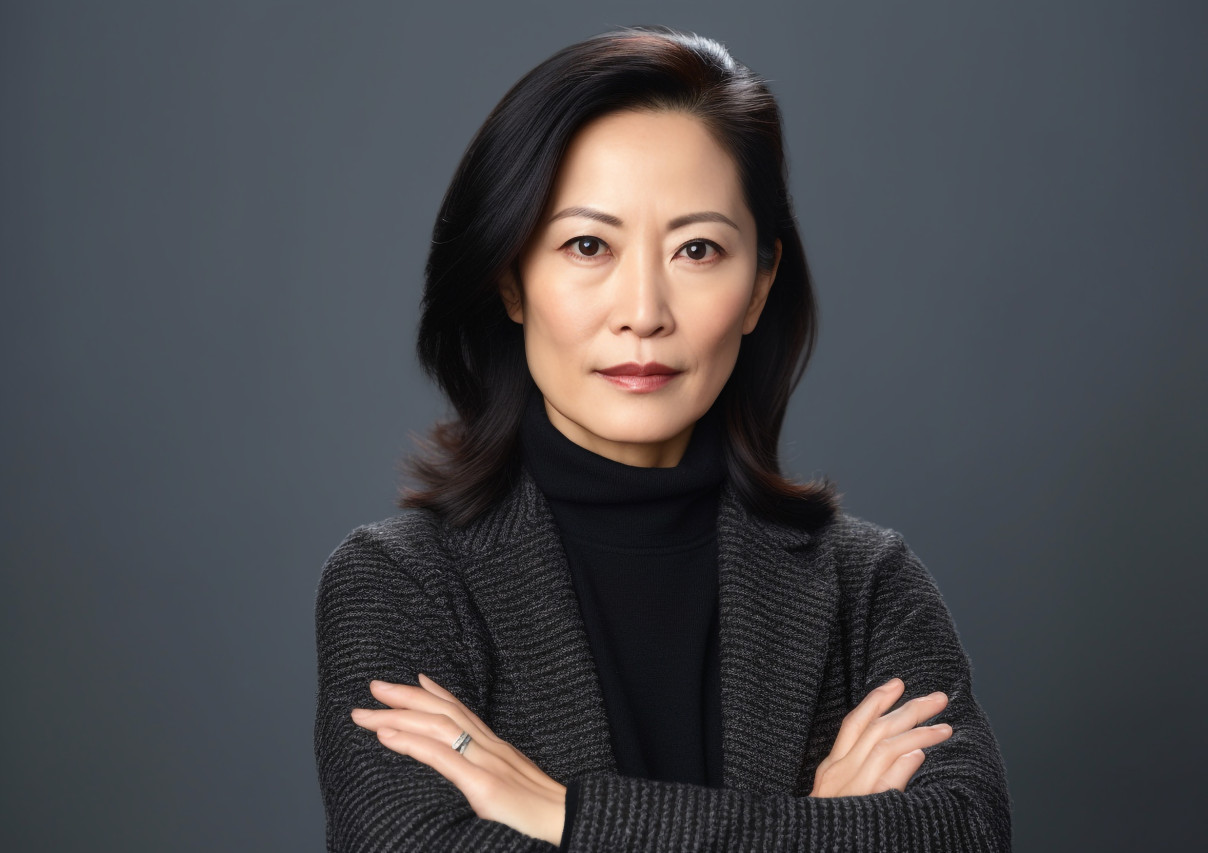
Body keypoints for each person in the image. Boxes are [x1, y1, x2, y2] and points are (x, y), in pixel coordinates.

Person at [313, 24, 1011, 852]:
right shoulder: (401, 585)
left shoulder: (866, 586)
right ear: (511, 280)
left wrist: (570, 817)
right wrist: (824, 831)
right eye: (586, 245)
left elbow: (961, 834)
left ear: (758, 287)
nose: (643, 309)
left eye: (698, 249)